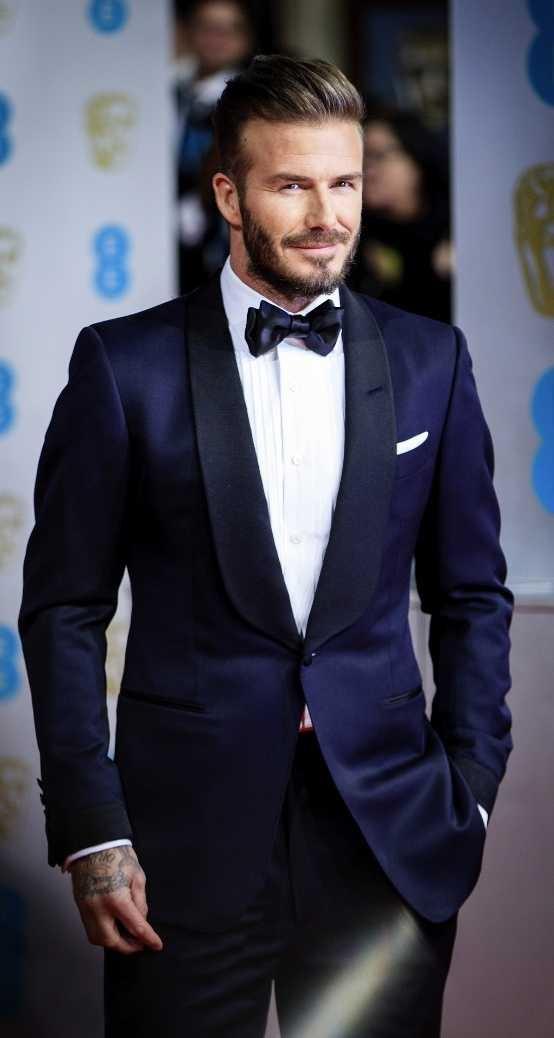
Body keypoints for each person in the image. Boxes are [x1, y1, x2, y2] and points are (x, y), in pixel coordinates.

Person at [18, 55, 513, 1037]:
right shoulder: (124, 367)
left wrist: (472, 786)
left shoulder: (431, 361)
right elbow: (64, 607)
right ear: (228, 196)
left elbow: (470, 596)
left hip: (388, 832)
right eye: (291, 185)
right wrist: (92, 827)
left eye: (344, 183)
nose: (327, 216)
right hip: (180, 842)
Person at [173, 0, 254, 292]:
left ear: (244, 39)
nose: (216, 39)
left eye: (227, 30)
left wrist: (200, 202)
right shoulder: (172, 88)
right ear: (189, 32)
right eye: (208, 28)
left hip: (217, 227)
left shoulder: (247, 98)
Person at [348, 107, 453, 322]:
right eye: (361, 158)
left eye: (378, 156)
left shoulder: (456, 228)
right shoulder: (353, 234)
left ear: (415, 160)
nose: (366, 170)